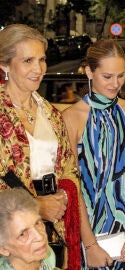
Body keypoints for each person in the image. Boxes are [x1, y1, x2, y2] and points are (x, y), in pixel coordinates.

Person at [62, 39, 125, 269]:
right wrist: (90, 244)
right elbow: (73, 185)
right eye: (108, 76)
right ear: (89, 72)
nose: (115, 84)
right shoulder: (70, 118)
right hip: (91, 229)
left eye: (120, 76)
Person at [0, 24, 81, 269]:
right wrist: (36, 207)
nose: (38, 69)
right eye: (27, 60)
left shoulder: (52, 114)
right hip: (11, 240)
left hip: (53, 231)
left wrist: (62, 198)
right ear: (4, 65)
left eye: (42, 59)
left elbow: (70, 168)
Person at [0, 188, 59, 270]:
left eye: (37, 223)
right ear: (3, 249)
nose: (39, 237)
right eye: (22, 234)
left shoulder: (48, 258)